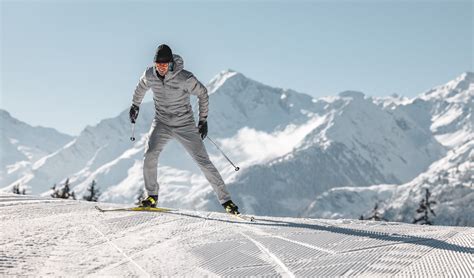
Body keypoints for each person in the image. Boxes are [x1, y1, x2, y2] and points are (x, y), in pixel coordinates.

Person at [129, 44, 239, 215]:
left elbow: (202, 93)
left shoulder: (185, 78)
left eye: (165, 65)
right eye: (158, 65)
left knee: (203, 162)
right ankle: (152, 196)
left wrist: (203, 120)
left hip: (184, 124)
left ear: (171, 63)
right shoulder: (150, 75)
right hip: (162, 122)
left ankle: (227, 201)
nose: (161, 68)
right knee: (150, 155)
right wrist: (135, 105)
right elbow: (141, 86)